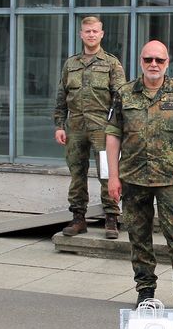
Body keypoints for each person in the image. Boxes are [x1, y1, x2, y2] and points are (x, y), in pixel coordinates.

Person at [106, 40, 173, 309]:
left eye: (159, 60)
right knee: (139, 238)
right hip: (133, 178)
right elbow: (112, 137)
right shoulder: (124, 93)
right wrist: (113, 177)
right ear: (141, 61)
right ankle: (145, 291)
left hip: (171, 180)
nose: (153, 65)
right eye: (148, 59)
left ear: (167, 62)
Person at [54, 16, 125, 239]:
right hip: (75, 128)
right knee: (77, 174)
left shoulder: (111, 63)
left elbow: (121, 98)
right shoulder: (71, 64)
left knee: (107, 173)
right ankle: (78, 219)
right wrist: (59, 124)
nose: (91, 35)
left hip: (103, 129)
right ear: (81, 34)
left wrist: (118, 129)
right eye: (87, 31)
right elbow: (61, 96)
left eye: (95, 31)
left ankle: (111, 218)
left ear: (101, 34)